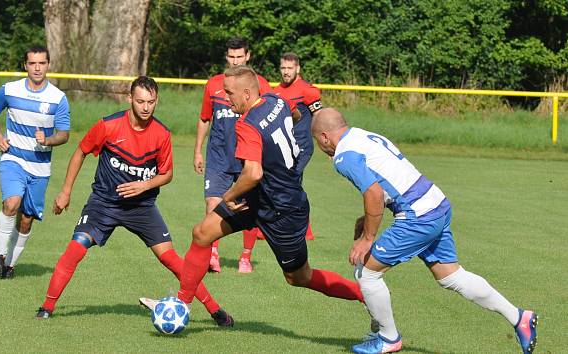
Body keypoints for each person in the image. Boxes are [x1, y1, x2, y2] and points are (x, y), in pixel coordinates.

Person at [311, 108, 538, 354]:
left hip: (418, 216)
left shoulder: (344, 156)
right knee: (451, 276)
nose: (322, 148)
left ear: (324, 137)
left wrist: (367, 238)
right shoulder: (365, 135)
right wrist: (366, 220)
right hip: (436, 203)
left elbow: (374, 193)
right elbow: (390, 179)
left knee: (367, 273)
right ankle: (519, 318)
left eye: (318, 142)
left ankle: (388, 338)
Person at [176, 65, 370, 332]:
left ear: (246, 93)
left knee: (299, 277)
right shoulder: (275, 100)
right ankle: (180, 305)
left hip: (282, 210)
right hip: (259, 199)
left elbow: (253, 173)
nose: (226, 97)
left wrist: (229, 195)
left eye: (230, 93)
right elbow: (296, 112)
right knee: (202, 233)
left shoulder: (246, 124)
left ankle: (363, 295)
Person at [35, 76, 233, 328]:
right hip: (104, 203)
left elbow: (167, 174)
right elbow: (81, 151)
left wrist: (145, 185)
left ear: (156, 101)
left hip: (142, 207)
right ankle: (47, 307)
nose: (146, 107)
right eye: (140, 101)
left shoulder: (161, 134)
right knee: (76, 248)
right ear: (129, 99)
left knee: (170, 258)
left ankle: (215, 310)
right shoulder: (108, 126)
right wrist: (65, 191)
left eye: (151, 102)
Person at [0, 45, 70, 279]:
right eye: (32, 63)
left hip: (40, 168)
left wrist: (48, 139)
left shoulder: (57, 98)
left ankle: (9, 265)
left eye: (42, 63)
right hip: (13, 158)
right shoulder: (9, 90)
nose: (37, 68)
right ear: (25, 65)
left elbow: (64, 134)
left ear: (48, 64)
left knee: (26, 219)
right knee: (12, 203)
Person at [194, 37, 272, 273]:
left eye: (240, 56)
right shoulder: (214, 84)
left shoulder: (262, 85)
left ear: (248, 56)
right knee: (212, 204)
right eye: (232, 56)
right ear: (226, 57)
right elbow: (205, 118)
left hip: (247, 158)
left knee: (249, 208)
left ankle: (245, 257)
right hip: (218, 156)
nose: (235, 61)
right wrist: (198, 150)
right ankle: (212, 255)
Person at [273, 52, 323, 240]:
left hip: (302, 147)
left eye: (290, 68)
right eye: (283, 68)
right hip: (284, 148)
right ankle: (297, 227)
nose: (286, 72)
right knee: (287, 183)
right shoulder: (275, 91)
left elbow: (319, 117)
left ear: (298, 69)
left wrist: (328, 144)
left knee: (290, 182)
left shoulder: (307, 91)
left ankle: (301, 228)